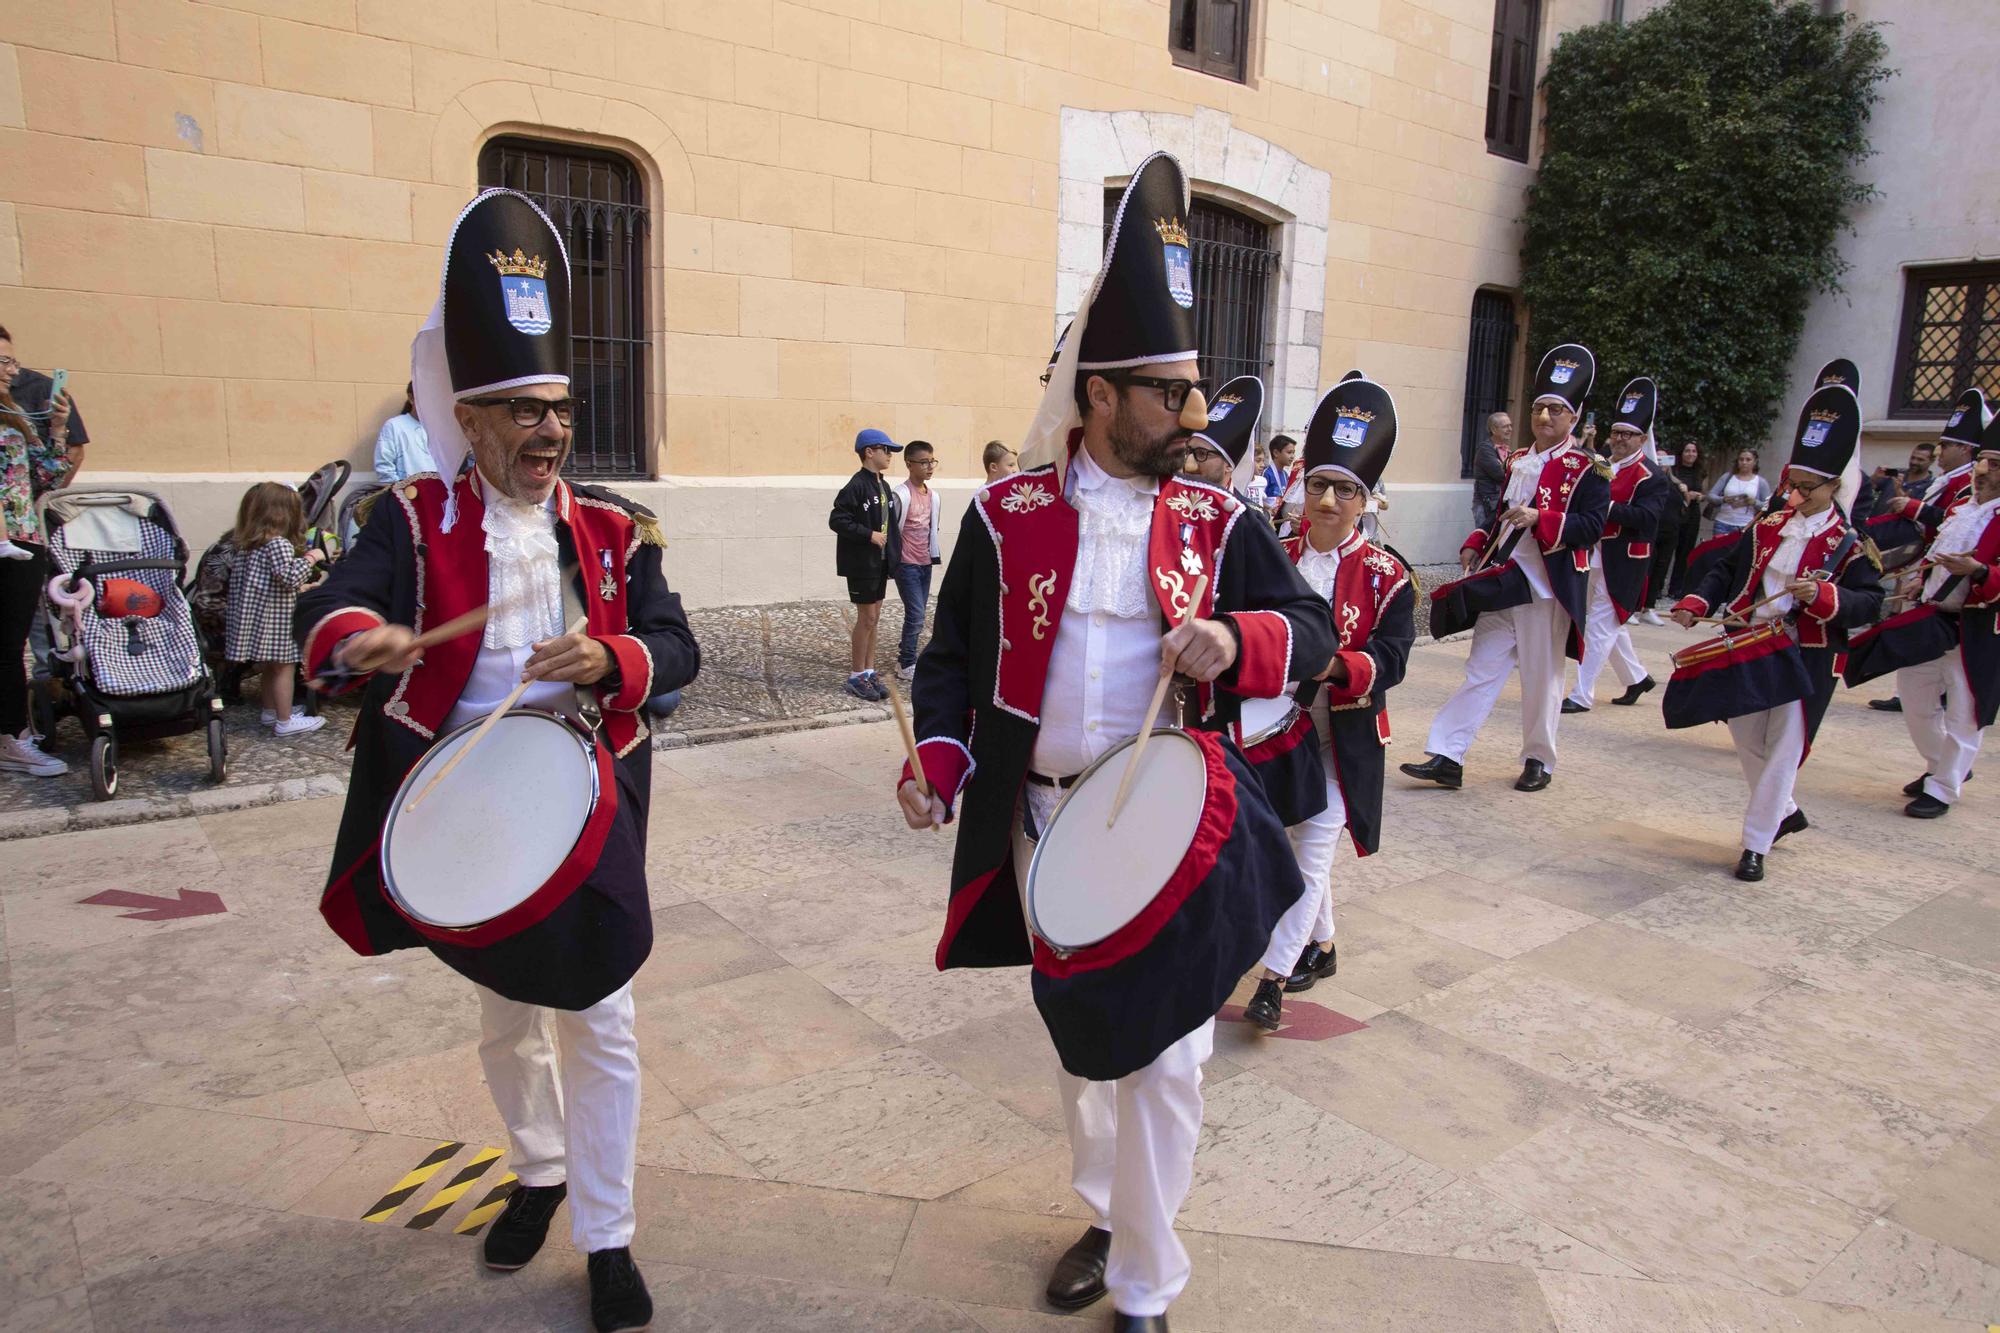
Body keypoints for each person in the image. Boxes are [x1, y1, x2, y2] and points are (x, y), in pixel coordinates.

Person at [895, 152, 1333, 1333]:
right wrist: (940, 752)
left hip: (1165, 822)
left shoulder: (1214, 517)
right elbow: (946, 664)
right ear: (1097, 396)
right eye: (1164, 393)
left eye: (1192, 394)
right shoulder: (1003, 517)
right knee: (1084, 1047)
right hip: (1041, 824)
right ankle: (1102, 1209)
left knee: (1171, 1061)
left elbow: (1313, 625)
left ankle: (1147, 1280)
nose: (1190, 417)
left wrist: (1233, 640)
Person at [296, 189, 699, 1333]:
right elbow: (332, 608)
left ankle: (609, 1235)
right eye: (521, 411)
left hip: (586, 796)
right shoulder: (410, 520)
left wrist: (614, 653)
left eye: (558, 410)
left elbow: (678, 647)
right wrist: (354, 640)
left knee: (603, 1016)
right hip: (464, 802)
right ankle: (536, 1170)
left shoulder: (614, 531)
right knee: (504, 1018)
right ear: (468, 421)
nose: (548, 433)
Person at [1246, 375, 1414, 1032]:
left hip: (1339, 742)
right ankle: (1323, 943)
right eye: (1318, 484)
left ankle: (1272, 979)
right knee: (1285, 841)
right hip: (1269, 737)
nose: (1328, 499)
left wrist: (1335, 664)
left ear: (1365, 502)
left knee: (1309, 852)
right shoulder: (1272, 556)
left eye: (1345, 489)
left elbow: (1392, 659)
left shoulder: (1388, 576)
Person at [1670, 383, 1882, 882]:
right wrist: (1696, 600)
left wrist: (1824, 598)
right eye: (1794, 484)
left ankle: (1755, 844)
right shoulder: (1768, 525)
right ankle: (1784, 810)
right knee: (1746, 735)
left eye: (1808, 487)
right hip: (1749, 641)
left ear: (1833, 488)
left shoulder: (1851, 544)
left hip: (1806, 654)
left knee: (1784, 747)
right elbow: (1726, 568)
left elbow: (1869, 603)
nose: (1796, 495)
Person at [1401, 344, 1610, 793]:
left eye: (1556, 409)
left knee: (1541, 679)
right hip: (1501, 581)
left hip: (1546, 589)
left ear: (1573, 418)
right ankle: (1448, 756)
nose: (1545, 416)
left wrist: (1544, 519)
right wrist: (1476, 541)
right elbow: (1500, 514)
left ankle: (1539, 759)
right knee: (1481, 670)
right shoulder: (1516, 459)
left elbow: (1593, 527)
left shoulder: (1588, 468)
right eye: (1539, 408)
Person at [1887, 423, 2000, 818]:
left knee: (1965, 713)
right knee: (1914, 696)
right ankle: (1942, 764)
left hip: (1979, 629)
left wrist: (1980, 572)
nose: (1983, 470)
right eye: (1984, 462)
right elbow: (1936, 555)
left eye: (1994, 465)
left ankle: (1943, 787)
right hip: (1935, 619)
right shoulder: (1962, 506)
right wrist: (1923, 580)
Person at [1565, 378, 1669, 712]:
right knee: (1608, 623)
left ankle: (1581, 693)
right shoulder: (1600, 464)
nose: (1620, 439)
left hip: (1624, 558)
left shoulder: (1651, 475)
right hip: (1593, 552)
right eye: (1617, 432)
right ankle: (1636, 677)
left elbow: (1647, 518)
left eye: (1628, 434)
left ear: (1642, 438)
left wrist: (1605, 509)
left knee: (1599, 624)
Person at [0, 379, 72, 776]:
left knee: (9, 647)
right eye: (2, 360)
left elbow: (46, 480)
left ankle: (13, 736)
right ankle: (12, 737)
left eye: (11, 360)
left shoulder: (14, 415)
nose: (10, 371)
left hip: (24, 541)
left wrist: (58, 429)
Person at [226, 481, 326, 736]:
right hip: (276, 621)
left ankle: (270, 711)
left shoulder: (249, 545)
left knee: (269, 667)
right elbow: (289, 577)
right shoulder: (278, 544)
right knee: (285, 667)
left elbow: (265, 583)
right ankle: (285, 720)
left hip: (259, 620)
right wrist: (311, 557)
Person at [828, 427, 902, 701]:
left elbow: (891, 526)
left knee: (875, 618)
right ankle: (856, 675)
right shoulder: (856, 485)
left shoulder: (882, 485)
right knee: (866, 618)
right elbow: (837, 519)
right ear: (869, 452)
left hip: (879, 563)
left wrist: (895, 556)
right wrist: (868, 534)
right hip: (862, 564)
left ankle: (869, 672)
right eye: (886, 450)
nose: (890, 456)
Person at [1869, 388, 1986, 553]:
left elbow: (1956, 520)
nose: (1938, 451)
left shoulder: (1971, 482)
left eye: (1945, 446)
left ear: (1964, 448)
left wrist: (1915, 508)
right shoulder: (1948, 478)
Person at [892, 439, 940, 682]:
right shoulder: (901, 495)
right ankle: (906, 662)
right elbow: (894, 529)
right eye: (923, 462)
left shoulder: (933, 496)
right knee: (917, 614)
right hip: (906, 564)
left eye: (932, 461)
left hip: (924, 563)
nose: (929, 466)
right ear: (909, 464)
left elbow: (932, 528)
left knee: (918, 613)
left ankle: (908, 652)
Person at [1660, 440, 1708, 601]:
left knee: (1685, 553)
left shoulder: (1701, 472)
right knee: (1667, 551)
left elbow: (1704, 493)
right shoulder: (1674, 470)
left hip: (1692, 514)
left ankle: (1676, 588)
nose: (1690, 454)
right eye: (1687, 451)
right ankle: (1658, 586)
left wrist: (1699, 496)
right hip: (1674, 513)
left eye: (1694, 451)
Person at [372, 382, 435, 482]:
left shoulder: (441, 428)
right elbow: (384, 467)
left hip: (441, 493)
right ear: (411, 398)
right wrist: (401, 492)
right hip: (407, 493)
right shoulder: (394, 426)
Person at [1706, 449, 1770, 539]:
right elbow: (1711, 495)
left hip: (1745, 524)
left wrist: (1754, 502)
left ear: (1755, 462)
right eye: (1741, 459)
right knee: (1719, 551)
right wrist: (1723, 499)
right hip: (1722, 523)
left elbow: (1768, 506)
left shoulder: (1761, 482)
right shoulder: (1727, 477)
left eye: (1748, 460)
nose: (1744, 462)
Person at [1472, 411, 1511, 532]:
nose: (1510, 429)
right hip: (1487, 505)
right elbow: (1502, 475)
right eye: (1505, 426)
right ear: (1494, 430)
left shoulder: (1507, 450)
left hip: (1498, 503)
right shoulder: (1485, 449)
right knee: (1484, 540)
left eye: (1510, 425)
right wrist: (1509, 468)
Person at [1262, 433, 1297, 519]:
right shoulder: (1266, 474)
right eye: (1289, 452)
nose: (1292, 456)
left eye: (1293, 453)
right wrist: (1269, 508)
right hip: (1267, 519)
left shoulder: (1286, 475)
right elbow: (1257, 499)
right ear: (1276, 453)